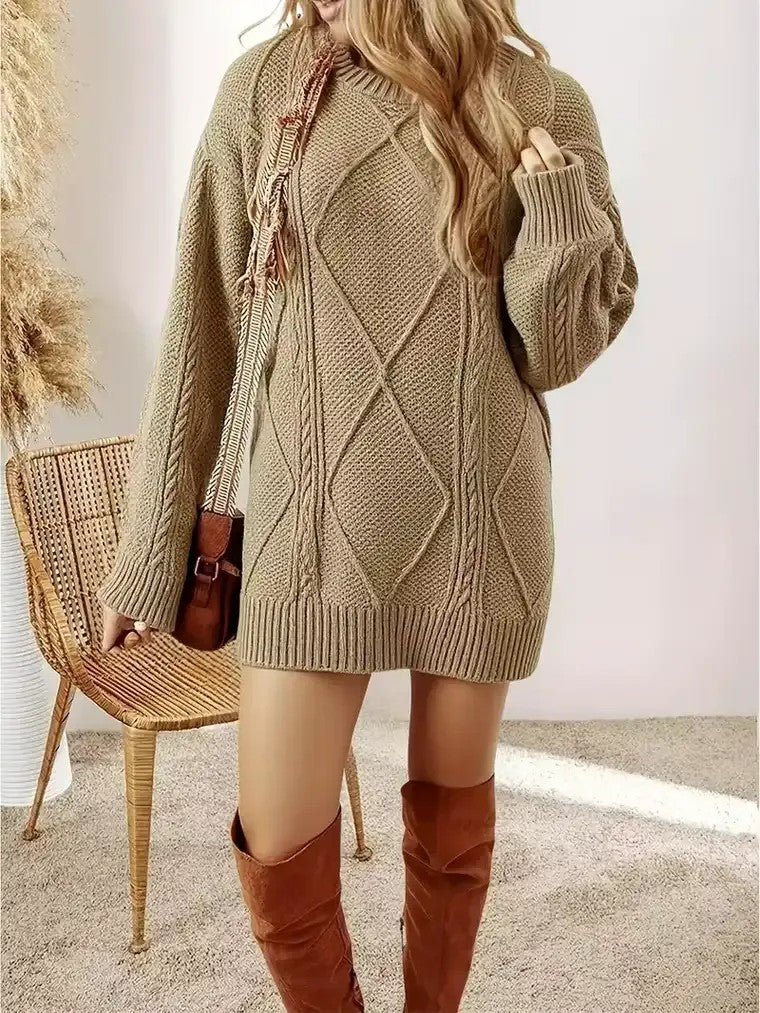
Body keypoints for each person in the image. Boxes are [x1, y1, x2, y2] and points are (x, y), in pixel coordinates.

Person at [98, 1, 637, 1009]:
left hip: (479, 530)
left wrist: (557, 216)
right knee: (277, 840)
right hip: (308, 533)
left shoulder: (539, 97)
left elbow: (556, 354)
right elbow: (202, 326)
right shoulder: (263, 90)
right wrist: (148, 551)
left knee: (450, 834)